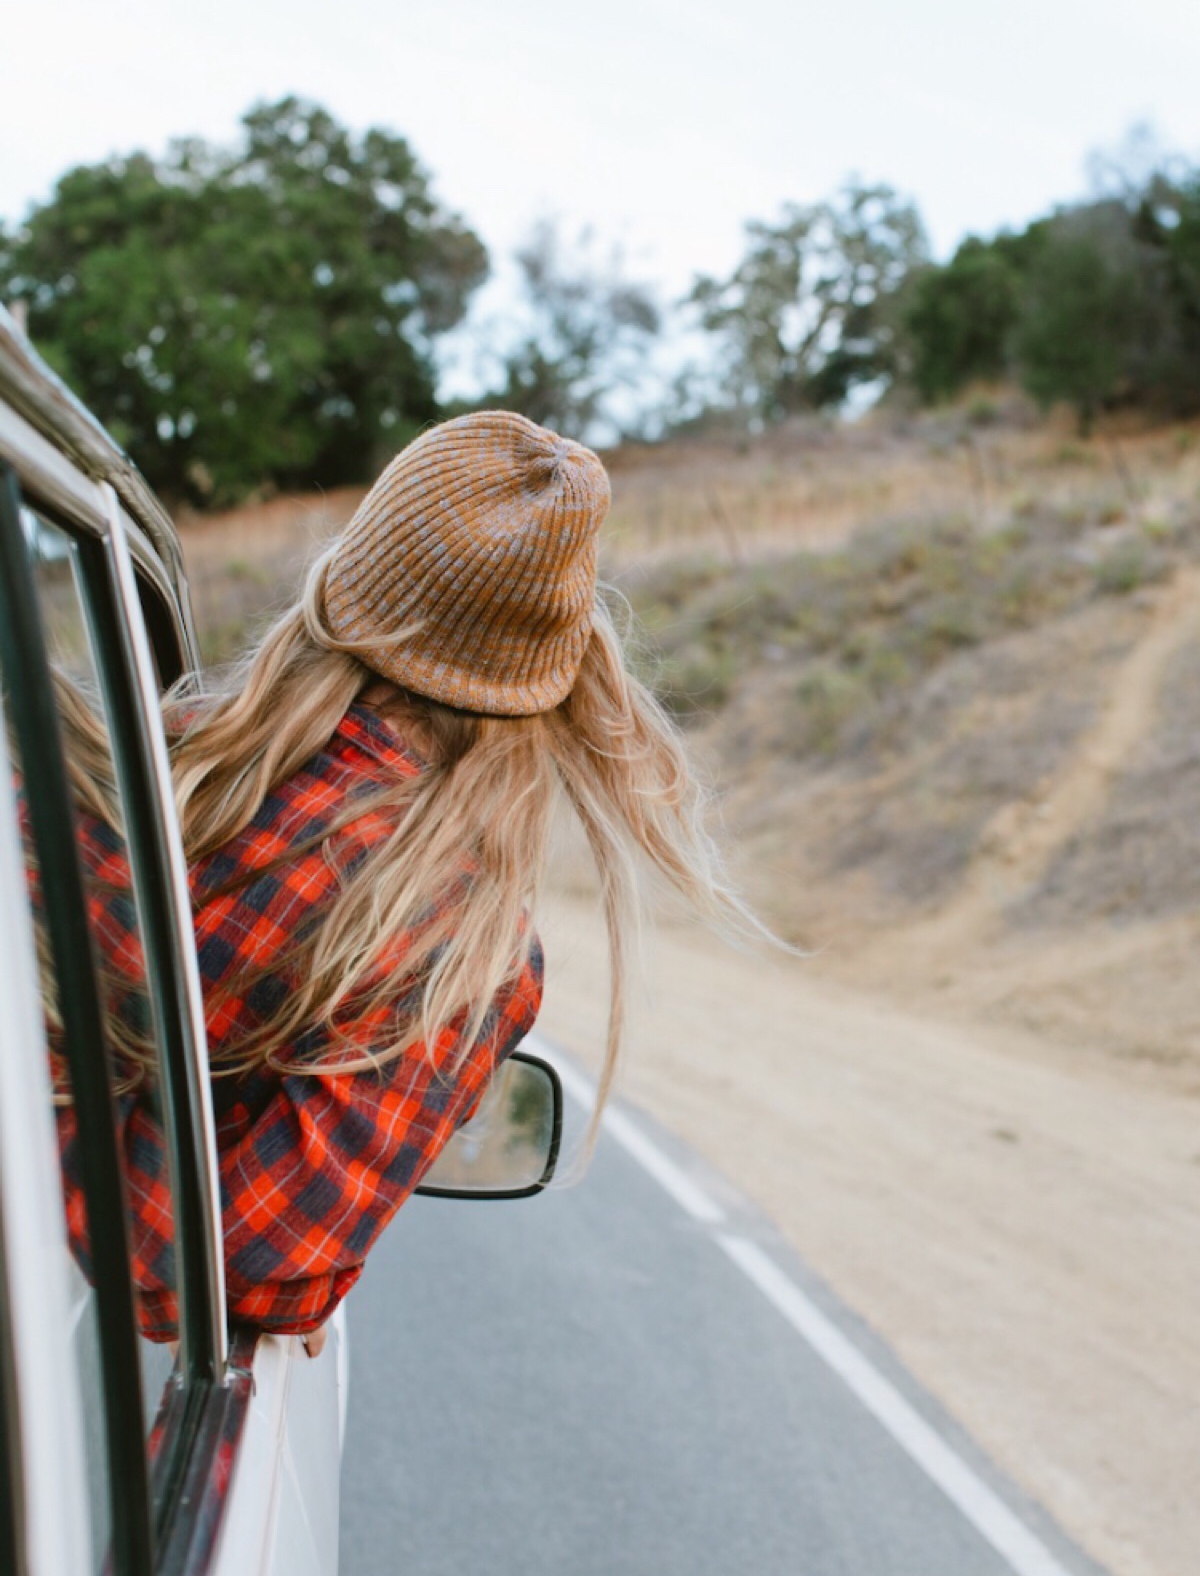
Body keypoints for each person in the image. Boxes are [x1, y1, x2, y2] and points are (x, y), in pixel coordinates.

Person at [58, 412, 755, 1349]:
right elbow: (221, 1269)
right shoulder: (460, 949)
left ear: (340, 591)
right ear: (542, 679)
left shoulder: (100, 767)